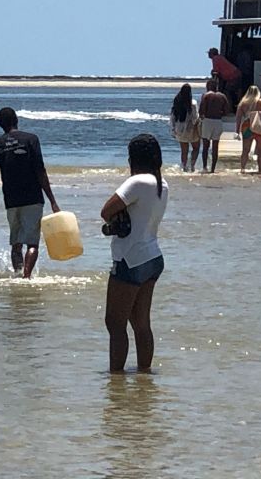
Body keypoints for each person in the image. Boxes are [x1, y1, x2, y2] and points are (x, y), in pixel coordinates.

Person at [100, 134, 168, 373]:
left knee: (115, 323)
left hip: (130, 258)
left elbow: (106, 211)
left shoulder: (137, 182)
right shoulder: (161, 183)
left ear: (133, 158)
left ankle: (116, 379)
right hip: (152, 256)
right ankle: (144, 375)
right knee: (141, 324)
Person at [0, 107, 60, 278]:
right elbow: (40, 171)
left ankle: (18, 274)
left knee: (16, 243)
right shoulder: (31, 139)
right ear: (16, 120)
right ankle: (26, 278)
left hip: (11, 200)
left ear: (0, 124)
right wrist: (52, 200)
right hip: (33, 199)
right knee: (32, 243)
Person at [235, 85, 261, 174]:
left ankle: (242, 169)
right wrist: (259, 114)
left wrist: (237, 130)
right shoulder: (260, 101)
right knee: (260, 150)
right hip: (258, 126)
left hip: (247, 126)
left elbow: (238, 117)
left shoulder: (243, 103)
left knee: (245, 150)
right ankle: (260, 170)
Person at [198, 79, 230, 173]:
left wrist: (203, 117)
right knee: (215, 147)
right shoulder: (222, 96)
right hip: (218, 121)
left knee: (205, 146)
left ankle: (204, 167)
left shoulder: (206, 95)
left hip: (208, 121)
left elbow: (201, 110)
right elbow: (227, 111)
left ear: (208, 86)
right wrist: (219, 113)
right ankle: (213, 169)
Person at [170, 83, 200, 172]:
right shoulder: (193, 103)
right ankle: (192, 166)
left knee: (184, 150)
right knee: (196, 148)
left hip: (179, 128)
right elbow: (195, 117)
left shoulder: (177, 101)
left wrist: (173, 129)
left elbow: (172, 117)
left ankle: (184, 167)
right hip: (191, 129)